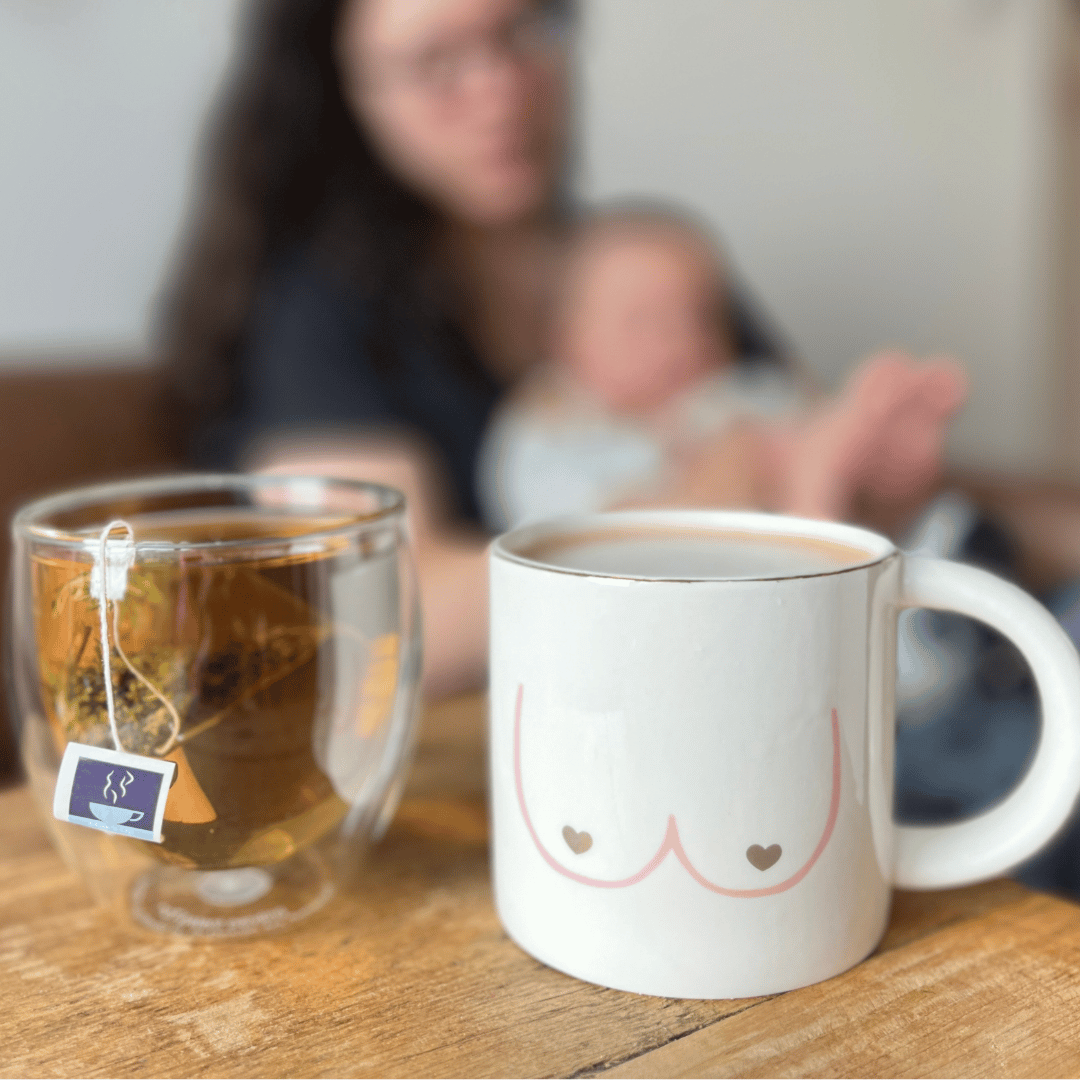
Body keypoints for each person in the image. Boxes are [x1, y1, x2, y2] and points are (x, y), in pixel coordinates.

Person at [163, 0, 958, 698]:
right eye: (436, 60)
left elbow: (810, 478)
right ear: (342, 87)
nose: (503, 89)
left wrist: (874, 481)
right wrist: (698, 511)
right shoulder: (319, 307)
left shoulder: (648, 260)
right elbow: (377, 615)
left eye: (523, 29)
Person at [478, 205, 966, 531]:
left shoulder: (741, 391)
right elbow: (573, 537)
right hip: (666, 596)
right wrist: (749, 464)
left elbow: (797, 414)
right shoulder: (555, 424)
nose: (679, 340)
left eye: (701, 317)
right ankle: (818, 489)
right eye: (644, 321)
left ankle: (880, 474)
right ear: (565, 341)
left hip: (852, 552)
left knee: (822, 442)